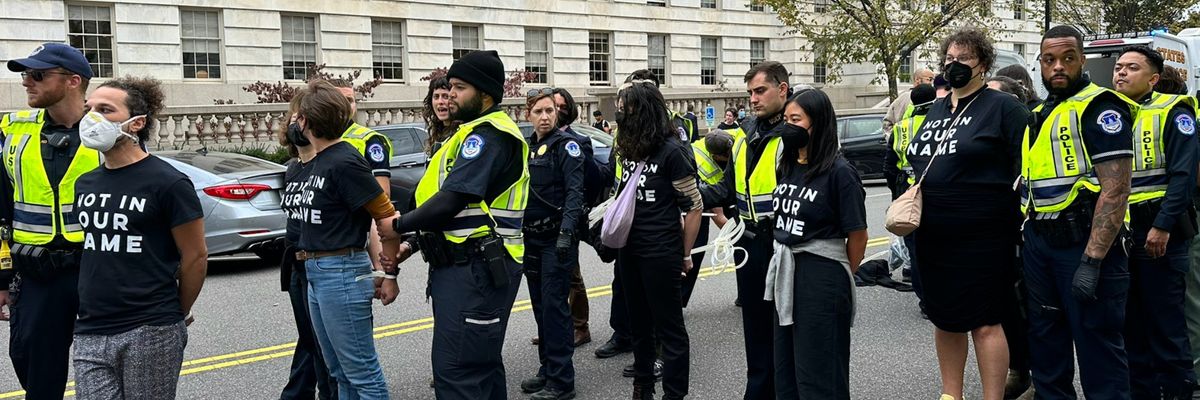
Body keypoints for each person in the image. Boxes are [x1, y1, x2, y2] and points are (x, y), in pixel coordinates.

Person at [379, 50, 528, 400]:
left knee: (459, 375)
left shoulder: (488, 136)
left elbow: (453, 200)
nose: (450, 95)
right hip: (467, 266)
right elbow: (454, 208)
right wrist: (413, 242)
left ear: (486, 94)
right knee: (480, 366)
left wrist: (399, 225)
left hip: (476, 269)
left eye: (460, 87)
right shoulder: (465, 135)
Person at [906, 28, 1029, 400]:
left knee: (985, 321)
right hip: (933, 235)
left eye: (963, 59)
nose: (953, 66)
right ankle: (951, 394)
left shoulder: (1004, 109)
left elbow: (1025, 169)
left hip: (984, 236)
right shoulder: (938, 108)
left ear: (984, 65)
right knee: (945, 320)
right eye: (948, 60)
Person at [71, 75, 207, 399]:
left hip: (150, 326)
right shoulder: (86, 183)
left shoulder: (169, 183)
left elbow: (196, 256)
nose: (92, 118)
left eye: (106, 110)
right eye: (89, 109)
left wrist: (177, 311)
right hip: (91, 327)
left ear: (136, 123)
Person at [1022, 25, 1137, 399]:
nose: (1058, 67)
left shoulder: (1101, 106)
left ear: (1081, 60)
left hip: (1084, 246)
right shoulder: (1040, 112)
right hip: (1042, 244)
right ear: (1039, 63)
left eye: (1067, 58)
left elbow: (1116, 189)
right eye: (1049, 60)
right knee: (1046, 347)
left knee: (1098, 349)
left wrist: (1092, 260)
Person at [283, 80, 400, 400]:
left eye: (298, 116)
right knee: (338, 372)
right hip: (315, 273)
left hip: (342, 272)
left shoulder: (344, 160)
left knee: (361, 373)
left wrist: (388, 273)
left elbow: (387, 218)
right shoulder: (309, 163)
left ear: (305, 120)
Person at [0, 42, 101, 400]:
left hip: (98, 271)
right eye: (26, 74)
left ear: (73, 81)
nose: (27, 81)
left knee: (110, 369)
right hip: (37, 274)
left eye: (38, 74)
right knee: (31, 365)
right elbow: (2, 209)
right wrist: (1, 278)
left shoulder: (109, 132)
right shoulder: (13, 131)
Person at [699, 61, 794, 400]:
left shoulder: (795, 132)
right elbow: (725, 190)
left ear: (782, 89)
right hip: (750, 243)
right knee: (755, 326)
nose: (753, 99)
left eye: (760, 91)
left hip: (784, 245)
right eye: (750, 92)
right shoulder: (745, 134)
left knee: (786, 327)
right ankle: (758, 391)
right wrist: (684, 194)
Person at [767, 88, 866, 399]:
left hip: (822, 279)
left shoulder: (840, 172)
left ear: (818, 123)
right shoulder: (788, 164)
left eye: (796, 119)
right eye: (785, 119)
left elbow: (858, 235)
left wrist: (835, 273)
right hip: (787, 275)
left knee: (820, 374)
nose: (788, 126)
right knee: (787, 371)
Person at [1112, 45, 1198, 400]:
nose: (1121, 73)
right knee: (1130, 327)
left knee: (1166, 326)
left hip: (1159, 231)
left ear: (1154, 78)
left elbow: (1183, 177)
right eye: (1118, 67)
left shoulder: (1173, 110)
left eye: (1131, 68)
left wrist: (1162, 226)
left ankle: (1179, 391)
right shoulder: (1110, 114)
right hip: (1123, 235)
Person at [611, 78, 702, 400]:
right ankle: (643, 387)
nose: (621, 115)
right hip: (629, 249)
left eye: (627, 110)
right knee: (638, 324)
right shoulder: (627, 149)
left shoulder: (672, 152)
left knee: (669, 327)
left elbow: (694, 206)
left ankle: (674, 394)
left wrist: (685, 253)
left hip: (661, 250)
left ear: (645, 112)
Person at [518, 88, 585, 400]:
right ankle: (547, 370)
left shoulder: (566, 146)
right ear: (527, 115)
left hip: (556, 239)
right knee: (540, 307)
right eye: (538, 112)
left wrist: (567, 233)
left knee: (556, 308)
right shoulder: (527, 147)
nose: (544, 117)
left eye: (549, 111)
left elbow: (575, 193)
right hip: (530, 239)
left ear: (557, 114)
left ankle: (561, 381)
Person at [277, 97, 339, 400]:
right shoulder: (291, 169)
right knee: (310, 341)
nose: (295, 124)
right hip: (296, 266)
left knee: (326, 348)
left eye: (300, 118)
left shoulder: (329, 163)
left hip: (326, 264)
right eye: (292, 118)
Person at [984, 74, 1038, 399]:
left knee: (1033, 308)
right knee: (1005, 306)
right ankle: (1019, 370)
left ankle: (1040, 375)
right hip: (992, 232)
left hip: (1026, 229)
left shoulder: (1021, 124)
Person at [549, 87, 593, 347]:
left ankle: (580, 327)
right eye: (552, 105)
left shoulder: (579, 142)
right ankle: (556, 327)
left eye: (561, 106)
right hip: (545, 219)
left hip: (569, 217)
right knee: (551, 278)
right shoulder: (540, 139)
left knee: (571, 276)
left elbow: (587, 182)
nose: (556, 110)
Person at [884, 83, 934, 296]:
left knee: (915, 249)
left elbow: (889, 166)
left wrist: (897, 195)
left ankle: (924, 298)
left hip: (907, 192)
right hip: (934, 193)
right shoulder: (943, 123)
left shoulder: (901, 128)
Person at [684, 129, 734, 307]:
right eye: (727, 157)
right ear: (716, 156)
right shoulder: (707, 169)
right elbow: (718, 216)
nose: (731, 159)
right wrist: (738, 235)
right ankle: (677, 299)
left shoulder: (728, 137)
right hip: (693, 204)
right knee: (693, 250)